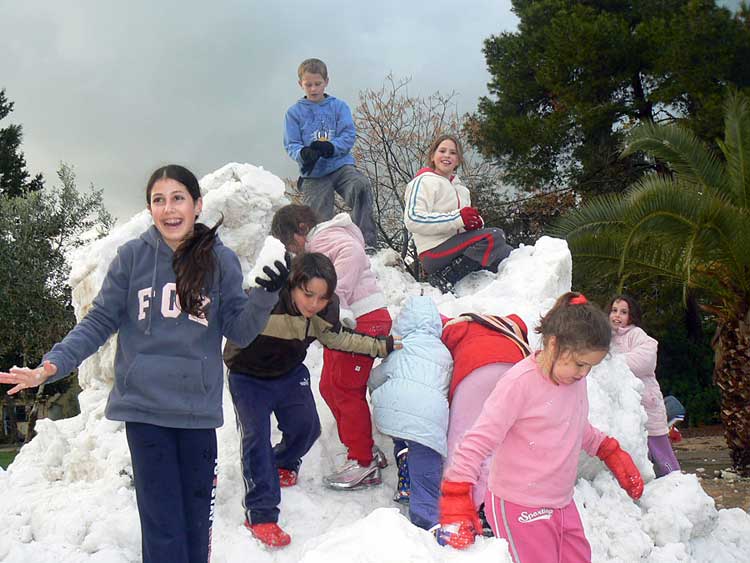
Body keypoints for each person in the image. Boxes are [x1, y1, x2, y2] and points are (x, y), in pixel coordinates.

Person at [0, 164, 287, 563]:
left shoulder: (219, 261)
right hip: (146, 411)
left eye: (178, 198)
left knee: (194, 527)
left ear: (197, 204)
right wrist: (50, 366)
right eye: (158, 200)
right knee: (163, 528)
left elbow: (240, 331)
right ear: (150, 208)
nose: (168, 208)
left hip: (197, 413)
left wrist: (264, 296)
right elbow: (98, 322)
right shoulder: (132, 258)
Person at [439, 292, 644, 562]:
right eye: (580, 364)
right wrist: (457, 494)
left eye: (590, 367)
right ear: (553, 344)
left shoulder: (573, 380)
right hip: (519, 503)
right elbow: (478, 440)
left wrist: (608, 450)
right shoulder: (519, 384)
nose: (584, 373)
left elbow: (573, 425)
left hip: (561, 502)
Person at [222, 252, 398, 548]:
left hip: (288, 372)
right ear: (292, 285)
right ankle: (261, 514)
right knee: (256, 439)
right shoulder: (266, 300)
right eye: (308, 294)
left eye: (322, 298)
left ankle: (283, 462)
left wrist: (381, 346)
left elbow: (339, 338)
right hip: (247, 376)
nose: (314, 304)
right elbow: (227, 315)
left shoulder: (322, 312)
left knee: (307, 428)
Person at [271, 204, 392, 489]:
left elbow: (353, 254)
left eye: (291, 243)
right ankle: (363, 446)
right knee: (329, 385)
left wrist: (337, 301)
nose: (294, 250)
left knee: (345, 389)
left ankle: (363, 463)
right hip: (351, 323)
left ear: (301, 229)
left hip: (362, 320)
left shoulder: (323, 238)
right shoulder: (324, 239)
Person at [368, 296, 453, 534]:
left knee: (402, 426)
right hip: (429, 418)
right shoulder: (445, 353)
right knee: (426, 462)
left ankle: (404, 473)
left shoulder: (399, 347)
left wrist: (377, 394)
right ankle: (427, 521)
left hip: (394, 409)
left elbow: (375, 379)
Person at [441, 312, 531, 530]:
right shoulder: (511, 329)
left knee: (463, 439)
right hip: (514, 373)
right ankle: (493, 505)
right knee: (501, 440)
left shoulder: (461, 327)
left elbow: (446, 335)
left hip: (473, 374)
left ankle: (460, 507)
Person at [283, 57, 377, 250]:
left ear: (326, 82)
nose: (313, 89)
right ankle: (320, 251)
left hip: (340, 165)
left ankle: (367, 243)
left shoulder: (338, 107)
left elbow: (349, 134)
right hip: (313, 174)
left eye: (317, 84)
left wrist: (332, 147)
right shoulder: (293, 113)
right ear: (300, 84)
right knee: (314, 219)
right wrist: (304, 153)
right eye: (308, 84)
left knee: (360, 185)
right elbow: (291, 144)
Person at [403, 134, 512, 293]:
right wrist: (459, 218)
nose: (447, 155)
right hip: (434, 251)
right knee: (494, 236)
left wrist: (475, 222)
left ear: (458, 160)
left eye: (453, 153)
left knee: (506, 251)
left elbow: (463, 224)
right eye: (442, 151)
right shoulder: (424, 181)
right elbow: (413, 219)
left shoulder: (462, 190)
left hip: (457, 247)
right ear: (433, 156)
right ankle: (445, 279)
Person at [609, 294, 681, 477]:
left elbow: (644, 361)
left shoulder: (636, 334)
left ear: (631, 316)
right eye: (614, 310)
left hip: (647, 403)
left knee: (658, 447)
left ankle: (675, 480)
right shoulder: (606, 336)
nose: (617, 315)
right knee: (638, 450)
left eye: (623, 312)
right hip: (626, 407)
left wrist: (612, 362)